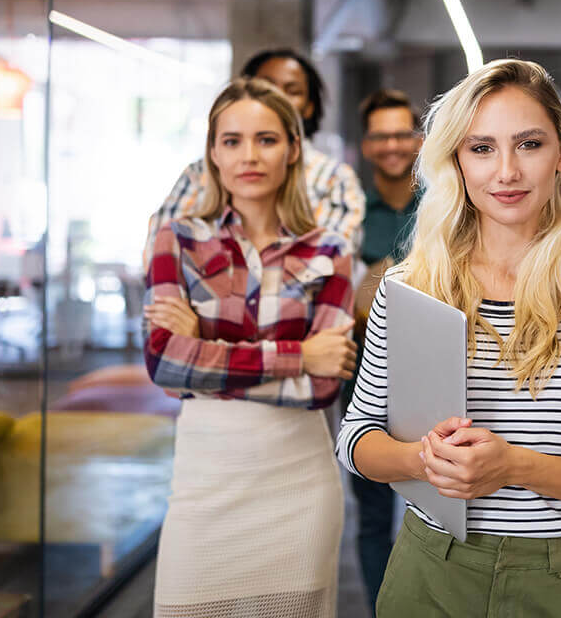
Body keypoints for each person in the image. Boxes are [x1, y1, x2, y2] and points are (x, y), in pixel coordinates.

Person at [335, 59, 561, 617]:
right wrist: (421, 460)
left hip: (559, 576)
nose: (506, 171)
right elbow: (356, 440)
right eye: (482, 148)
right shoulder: (412, 288)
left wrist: (513, 466)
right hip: (430, 569)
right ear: (457, 162)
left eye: (528, 144)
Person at [143, 77, 358, 618]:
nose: (249, 156)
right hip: (204, 481)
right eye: (232, 140)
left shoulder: (330, 250)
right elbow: (166, 364)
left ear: (292, 149)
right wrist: (296, 355)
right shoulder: (178, 238)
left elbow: (325, 383)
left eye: (266, 139)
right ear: (212, 154)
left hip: (298, 484)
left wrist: (206, 347)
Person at [144, 49, 365, 266]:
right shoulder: (198, 173)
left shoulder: (334, 178)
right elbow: (161, 261)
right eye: (267, 86)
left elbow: (327, 268)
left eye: (292, 90)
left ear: (310, 106)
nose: (249, 158)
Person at [348, 88, 424, 614]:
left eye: (402, 133)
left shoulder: (445, 202)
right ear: (366, 144)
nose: (393, 145)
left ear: (419, 140)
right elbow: (345, 299)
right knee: (372, 508)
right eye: (382, 135)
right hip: (365, 374)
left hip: (434, 369)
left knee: (440, 502)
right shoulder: (350, 211)